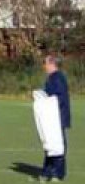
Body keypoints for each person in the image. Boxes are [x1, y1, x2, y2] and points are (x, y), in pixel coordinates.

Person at [41, 54, 71, 182]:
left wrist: (48, 104)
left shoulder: (57, 78)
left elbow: (59, 98)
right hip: (51, 117)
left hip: (57, 117)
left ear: (51, 64)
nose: (44, 66)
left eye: (45, 63)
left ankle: (58, 174)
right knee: (49, 144)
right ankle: (47, 172)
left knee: (58, 145)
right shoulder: (52, 78)